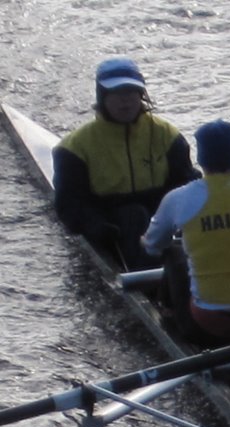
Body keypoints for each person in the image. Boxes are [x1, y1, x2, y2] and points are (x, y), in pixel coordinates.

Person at [141, 119, 230, 344]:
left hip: (211, 323)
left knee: (174, 252)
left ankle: (169, 317)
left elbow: (153, 247)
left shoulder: (179, 198)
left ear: (200, 158)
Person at [52, 57, 198, 269]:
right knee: (133, 215)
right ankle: (153, 281)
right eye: (118, 93)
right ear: (102, 96)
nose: (126, 101)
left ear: (141, 95)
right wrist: (94, 226)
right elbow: (69, 204)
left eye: (131, 93)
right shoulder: (74, 148)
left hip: (160, 219)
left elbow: (185, 185)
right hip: (112, 224)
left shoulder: (167, 135)